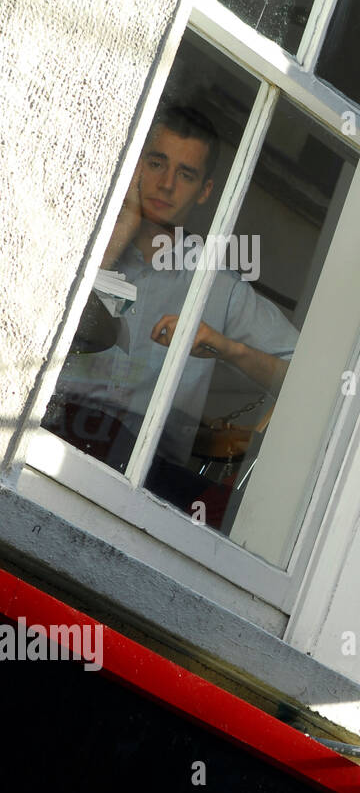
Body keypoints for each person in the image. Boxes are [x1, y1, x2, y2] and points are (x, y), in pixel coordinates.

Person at [43, 105, 298, 511]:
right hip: (43, 434)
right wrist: (122, 226)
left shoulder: (219, 289)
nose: (165, 184)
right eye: (157, 163)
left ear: (205, 191)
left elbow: (306, 380)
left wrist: (226, 348)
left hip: (145, 478)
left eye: (186, 174)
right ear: (137, 164)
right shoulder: (76, 238)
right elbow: (34, 315)